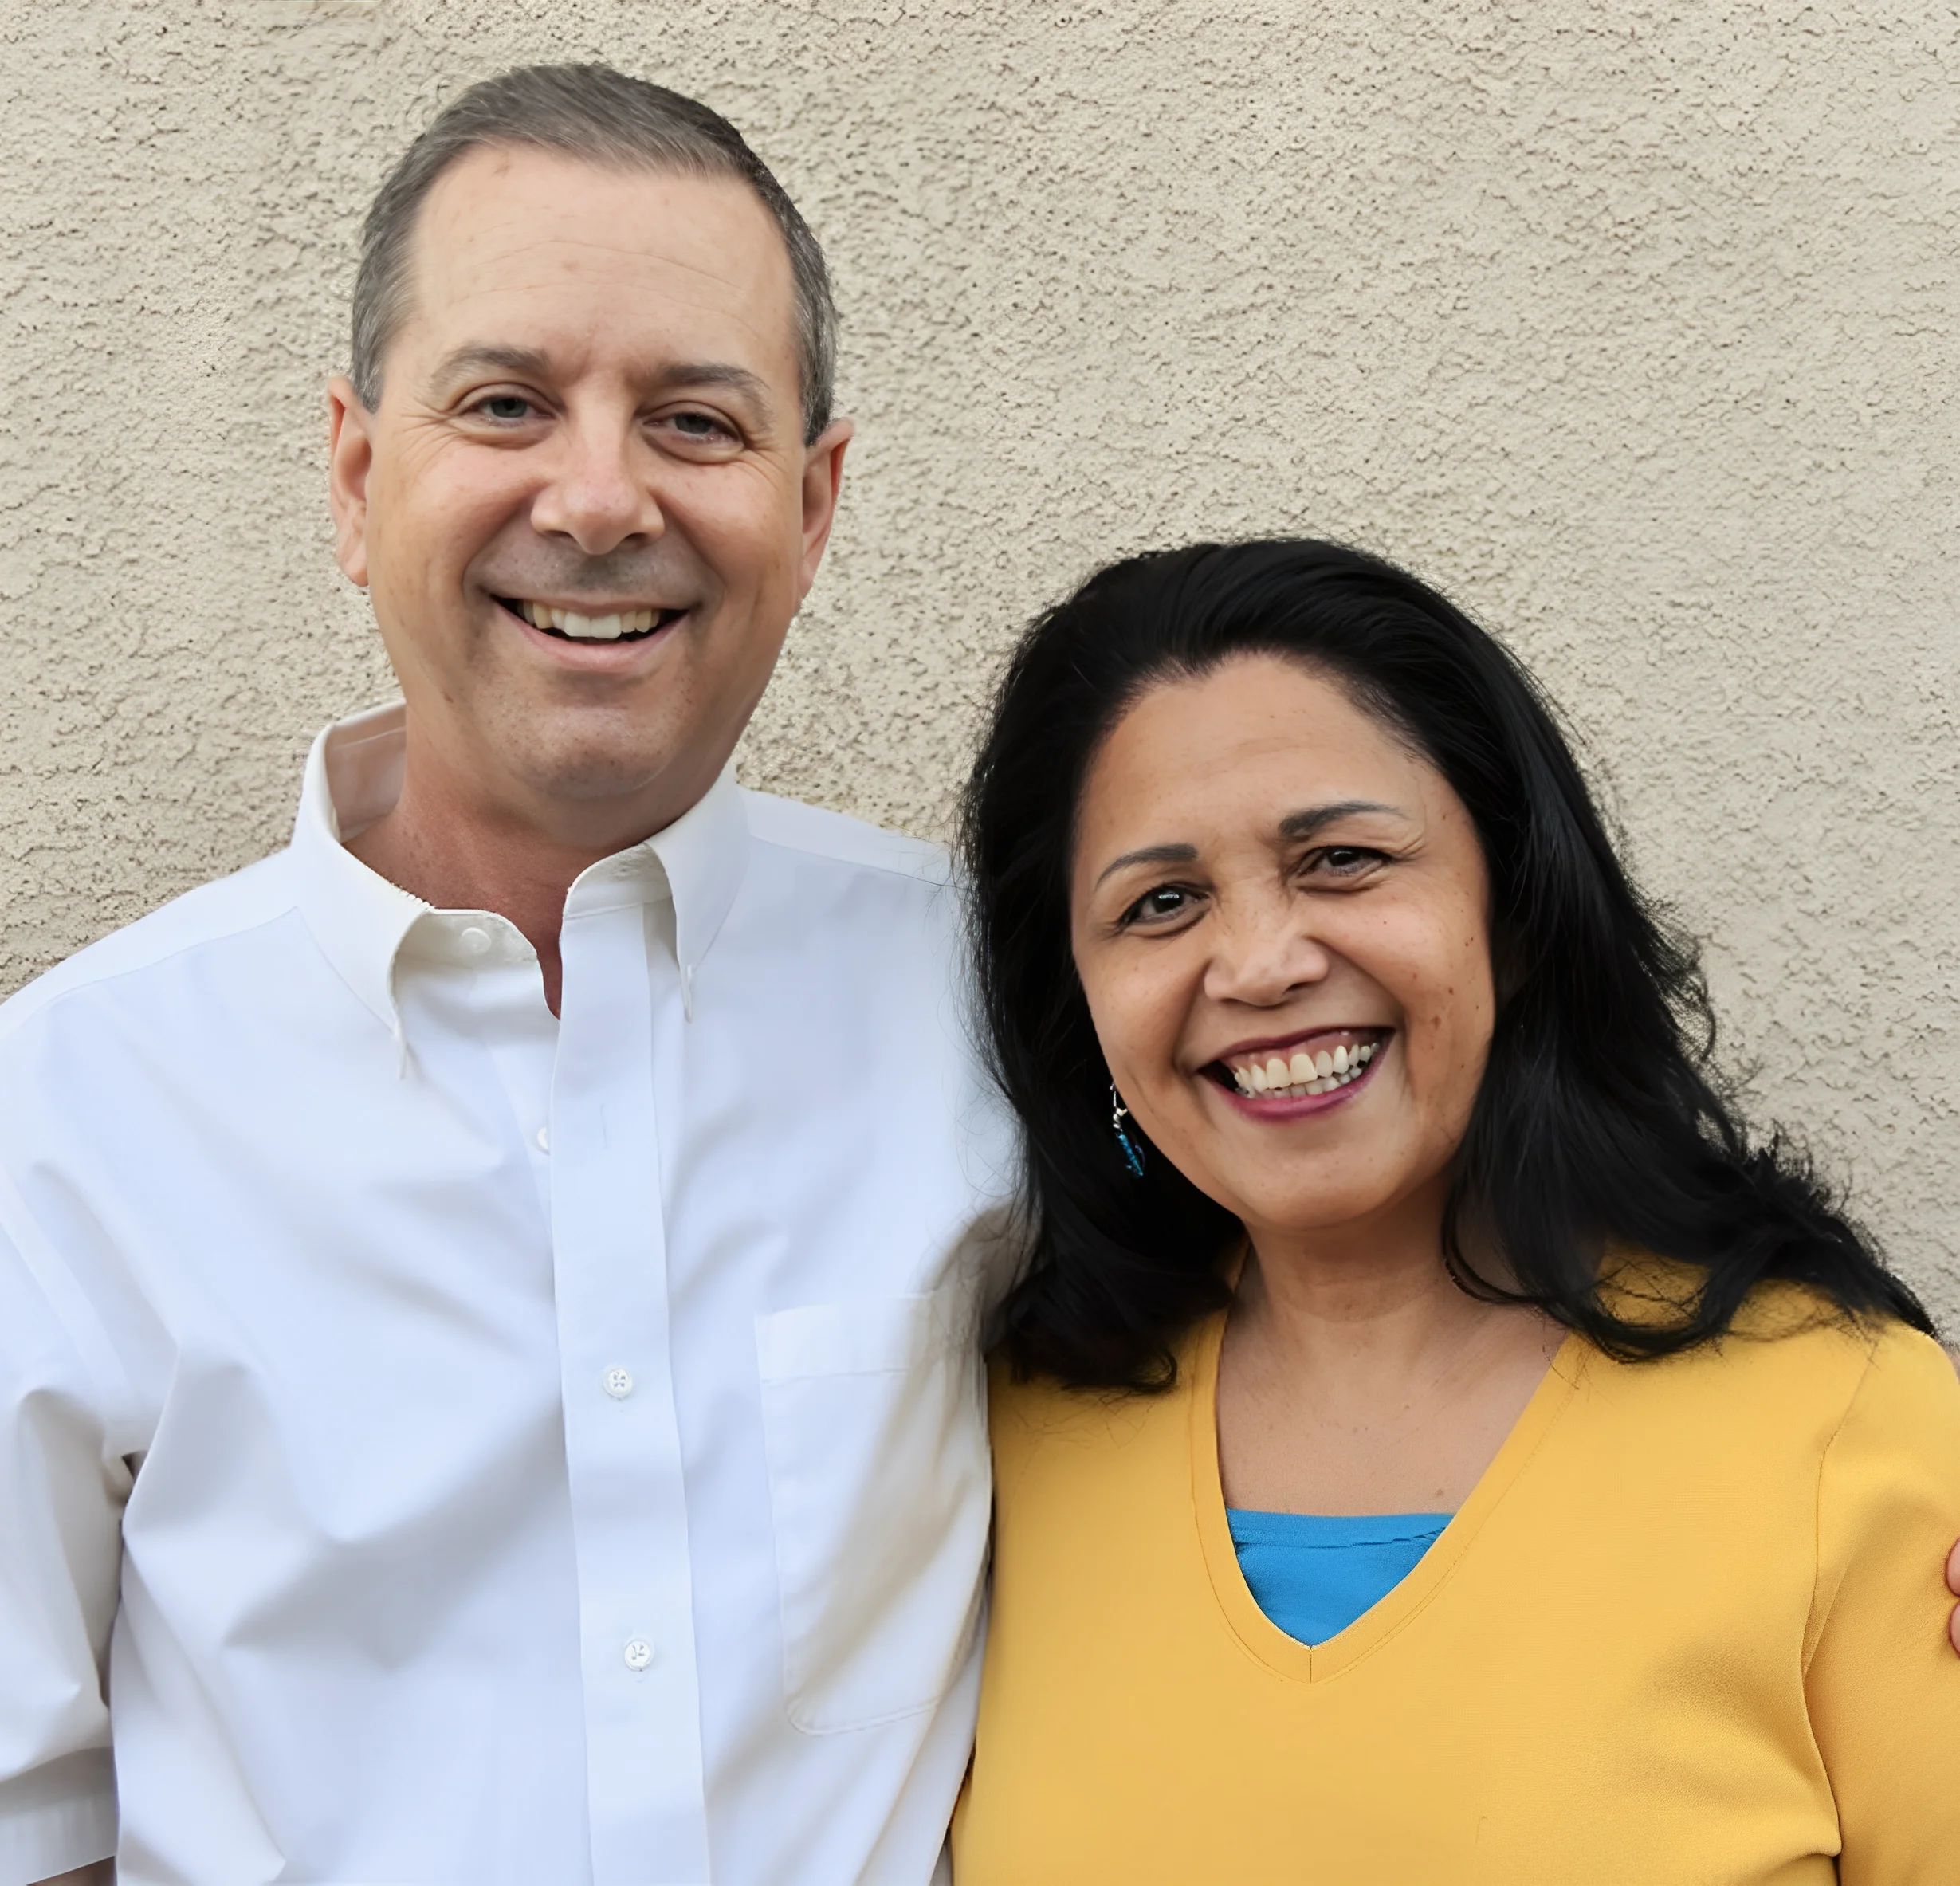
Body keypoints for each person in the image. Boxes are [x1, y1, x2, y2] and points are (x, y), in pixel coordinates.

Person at [0, 65, 1015, 1886]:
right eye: (506, 402)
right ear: (355, 471)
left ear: (815, 502)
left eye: (695, 419)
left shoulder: (996, 1009)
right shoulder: (67, 1110)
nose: (600, 495)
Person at [951, 539, 1960, 1881]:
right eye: (1162, 900)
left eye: (1342, 859)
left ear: (1516, 906)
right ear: (1075, 1001)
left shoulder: (1843, 1430)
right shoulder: (997, 1443)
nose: (1257, 963)